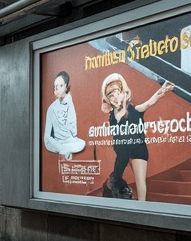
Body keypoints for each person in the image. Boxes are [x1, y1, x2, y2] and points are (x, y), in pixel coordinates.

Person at [101, 73, 174, 201]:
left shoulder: (134, 110)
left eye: (115, 92)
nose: (113, 97)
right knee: (117, 177)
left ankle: (142, 206)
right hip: (123, 152)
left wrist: (162, 90)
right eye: (110, 95)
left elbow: (150, 102)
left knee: (140, 182)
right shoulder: (112, 116)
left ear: (122, 92)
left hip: (137, 150)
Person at [43, 71, 86, 159]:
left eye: (61, 86)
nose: (57, 89)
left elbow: (73, 133)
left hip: (69, 141)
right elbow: (47, 137)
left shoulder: (70, 103)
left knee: (82, 143)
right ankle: (63, 150)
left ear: (66, 87)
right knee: (50, 143)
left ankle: (64, 149)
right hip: (56, 142)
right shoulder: (51, 108)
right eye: (55, 86)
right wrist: (61, 148)